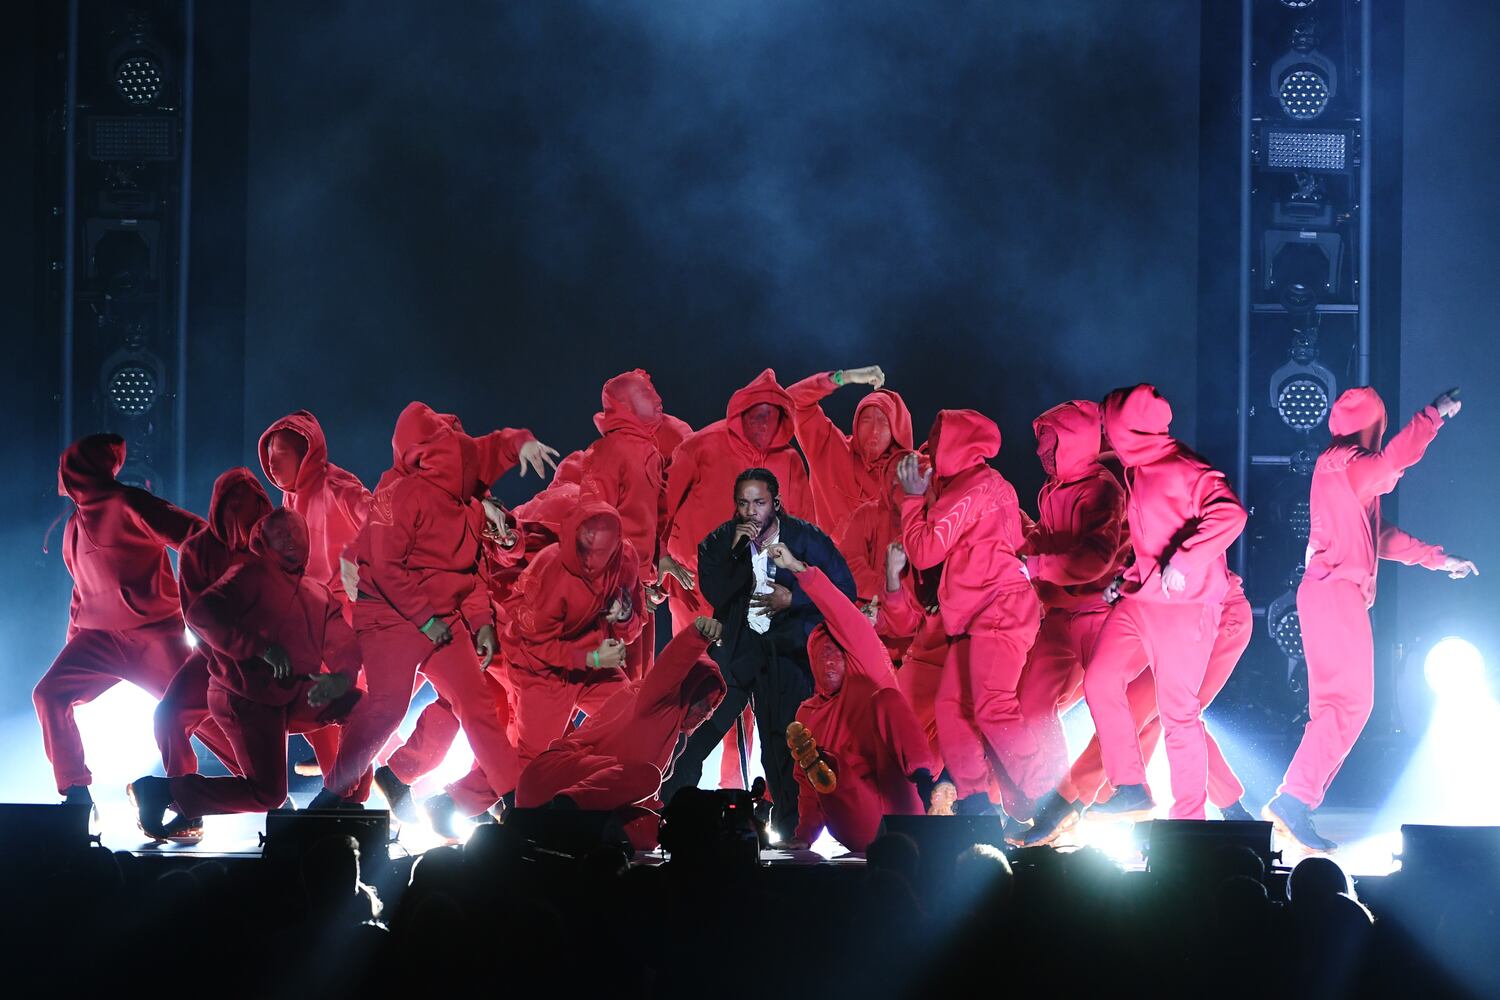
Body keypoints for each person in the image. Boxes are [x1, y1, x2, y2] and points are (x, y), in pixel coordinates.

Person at [312, 402, 556, 817]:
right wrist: (423, 619)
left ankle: (519, 809)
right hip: (392, 619)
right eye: (459, 459)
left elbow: (473, 573)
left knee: (478, 705)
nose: (469, 466)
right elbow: (385, 568)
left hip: (443, 620)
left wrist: (481, 624)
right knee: (387, 709)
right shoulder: (398, 495)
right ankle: (331, 798)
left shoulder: (472, 505)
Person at [1265, 387, 1475, 850]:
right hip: (1336, 593)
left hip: (1325, 593)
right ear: (1373, 424)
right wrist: (1432, 416)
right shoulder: (1348, 462)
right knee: (1351, 706)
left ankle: (1297, 801)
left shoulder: (1340, 467)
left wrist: (1437, 560)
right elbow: (1390, 464)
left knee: (1334, 709)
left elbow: (1379, 536)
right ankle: (1295, 798)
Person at [129, 510, 362, 837]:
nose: (290, 540)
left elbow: (343, 641)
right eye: (280, 535)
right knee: (268, 793)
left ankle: (345, 802)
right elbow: (201, 613)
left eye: (295, 533)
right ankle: (163, 792)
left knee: (363, 708)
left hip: (294, 695)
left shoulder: (317, 593)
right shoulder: (249, 575)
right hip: (244, 696)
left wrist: (343, 675)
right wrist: (259, 647)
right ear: (264, 542)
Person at [659, 468, 856, 840]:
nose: (751, 512)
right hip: (737, 653)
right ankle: (673, 813)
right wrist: (733, 552)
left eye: (759, 503)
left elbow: (845, 589)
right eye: (744, 503)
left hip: (787, 653)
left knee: (781, 744)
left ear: (776, 504)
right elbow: (716, 593)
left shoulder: (806, 538)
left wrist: (793, 599)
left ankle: (791, 832)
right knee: (699, 731)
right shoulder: (718, 542)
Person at [1081, 384, 1247, 821]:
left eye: (1109, 426)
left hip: (1186, 607)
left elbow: (1231, 514)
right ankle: (1131, 786)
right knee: (1099, 681)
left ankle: (1189, 819)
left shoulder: (1184, 467)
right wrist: (1128, 578)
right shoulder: (1137, 468)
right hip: (1143, 600)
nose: (1105, 434)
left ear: (1128, 428)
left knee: (1178, 713)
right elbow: (1155, 540)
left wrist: (1186, 560)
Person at [659, 369, 813, 787]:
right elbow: (663, 504)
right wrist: (658, 558)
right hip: (697, 591)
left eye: (771, 416)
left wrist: (796, 584)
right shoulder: (702, 446)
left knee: (745, 694)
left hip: (758, 597)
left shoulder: (790, 461)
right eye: (755, 415)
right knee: (692, 686)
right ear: (740, 413)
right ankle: (666, 787)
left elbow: (805, 526)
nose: (762, 424)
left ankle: (733, 792)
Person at [35, 434, 205, 810]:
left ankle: (244, 785)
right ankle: (76, 793)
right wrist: (72, 647)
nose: (66, 475)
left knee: (203, 713)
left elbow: (198, 536)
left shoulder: (130, 502)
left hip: (155, 634)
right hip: (98, 641)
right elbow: (81, 593)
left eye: (72, 465)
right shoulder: (72, 528)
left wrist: (204, 602)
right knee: (49, 694)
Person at [1025, 573, 1256, 845]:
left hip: (1210, 615)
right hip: (1159, 611)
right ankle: (1229, 813)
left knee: (1163, 714)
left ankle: (1071, 805)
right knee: (1157, 714)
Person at [895, 409, 1040, 817]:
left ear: (958, 444)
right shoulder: (978, 483)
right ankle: (976, 804)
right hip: (980, 613)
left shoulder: (977, 487)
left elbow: (925, 551)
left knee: (993, 706)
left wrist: (910, 498)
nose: (932, 447)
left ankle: (1049, 797)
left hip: (1000, 608)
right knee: (951, 708)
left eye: (938, 440)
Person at [767, 543, 935, 853]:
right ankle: (829, 771)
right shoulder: (807, 714)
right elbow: (806, 787)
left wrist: (797, 568)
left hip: (902, 805)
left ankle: (923, 774)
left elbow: (840, 613)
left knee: (888, 700)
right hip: (858, 820)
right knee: (823, 768)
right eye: (823, 656)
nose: (829, 663)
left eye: (836, 655)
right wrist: (804, 835)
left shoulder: (867, 672)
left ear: (850, 656)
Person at [515, 614, 727, 849]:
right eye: (706, 701)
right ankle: (559, 815)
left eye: (713, 705)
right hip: (550, 779)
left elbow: (629, 788)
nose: (709, 712)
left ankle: (574, 828)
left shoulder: (667, 724)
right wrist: (696, 636)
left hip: (568, 786)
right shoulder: (657, 701)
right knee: (649, 777)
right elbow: (671, 667)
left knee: (651, 832)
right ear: (690, 688)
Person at [1013, 400, 1128, 818]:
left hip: (1098, 613)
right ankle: (1059, 801)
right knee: (1031, 705)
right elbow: (1044, 540)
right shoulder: (1048, 491)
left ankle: (1124, 794)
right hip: (1059, 614)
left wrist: (1036, 566)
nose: (1040, 453)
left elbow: (1095, 558)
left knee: (1112, 705)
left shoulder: (1102, 489)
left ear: (1074, 442)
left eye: (1049, 444)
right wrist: (1017, 550)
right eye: (1040, 445)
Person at [504, 500, 646, 766]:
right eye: (586, 550)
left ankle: (601, 795)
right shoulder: (550, 571)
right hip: (543, 673)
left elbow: (633, 629)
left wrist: (626, 615)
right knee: (535, 763)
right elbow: (536, 647)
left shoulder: (625, 561)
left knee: (633, 719)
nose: (592, 562)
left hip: (593, 666)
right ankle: (489, 802)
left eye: (603, 551)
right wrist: (592, 657)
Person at [153, 468, 271, 780]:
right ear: (219, 506)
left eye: (249, 504)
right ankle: (185, 795)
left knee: (325, 711)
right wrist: (229, 662)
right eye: (232, 504)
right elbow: (195, 619)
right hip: (213, 661)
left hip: (269, 660)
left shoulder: (275, 546)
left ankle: (337, 799)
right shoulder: (196, 550)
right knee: (169, 716)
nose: (240, 512)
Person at [577, 370, 674, 677]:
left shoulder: (651, 452)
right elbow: (593, 522)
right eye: (647, 394)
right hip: (612, 590)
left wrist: (655, 569)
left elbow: (654, 519)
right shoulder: (610, 450)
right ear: (626, 405)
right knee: (613, 688)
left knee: (639, 682)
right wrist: (614, 588)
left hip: (638, 587)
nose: (658, 399)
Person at [786, 365, 913, 541]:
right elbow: (791, 401)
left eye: (883, 423)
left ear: (896, 431)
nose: (874, 430)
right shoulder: (829, 448)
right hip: (827, 565)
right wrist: (844, 377)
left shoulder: (908, 475)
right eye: (866, 420)